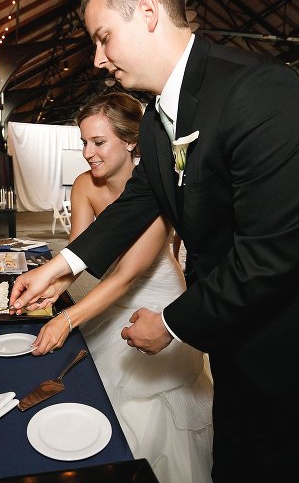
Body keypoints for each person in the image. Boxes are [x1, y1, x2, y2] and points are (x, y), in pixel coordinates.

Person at [9, 0, 299, 481]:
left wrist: (172, 323)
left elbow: (272, 253)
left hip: (295, 327)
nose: (97, 59)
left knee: (271, 465)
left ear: (148, 13)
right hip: (231, 320)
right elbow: (140, 201)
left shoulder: (260, 91)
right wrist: (60, 267)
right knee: (231, 453)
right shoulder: (158, 120)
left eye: (104, 37)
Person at [31, 92, 213, 483]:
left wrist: (67, 317)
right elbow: (81, 253)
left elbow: (126, 274)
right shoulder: (84, 185)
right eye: (84, 142)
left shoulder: (157, 186)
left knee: (143, 404)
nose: (87, 153)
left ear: (131, 141)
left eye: (98, 142)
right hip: (108, 297)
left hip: (156, 296)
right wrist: (51, 286)